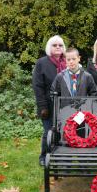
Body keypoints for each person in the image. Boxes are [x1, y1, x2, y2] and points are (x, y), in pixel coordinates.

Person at [32, 35, 66, 166]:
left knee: (62, 132)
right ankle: (44, 156)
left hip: (64, 105)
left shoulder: (68, 62)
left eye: (60, 45)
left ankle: (59, 156)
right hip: (48, 104)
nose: (58, 47)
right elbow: (37, 85)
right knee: (48, 132)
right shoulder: (42, 62)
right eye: (54, 45)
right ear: (49, 47)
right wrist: (42, 107)